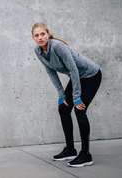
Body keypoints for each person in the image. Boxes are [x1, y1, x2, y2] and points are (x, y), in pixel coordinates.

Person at [31, 22, 102, 168]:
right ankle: (70, 149)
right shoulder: (38, 51)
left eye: (42, 34)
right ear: (33, 38)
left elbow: (73, 69)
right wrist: (61, 94)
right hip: (77, 77)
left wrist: (76, 97)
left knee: (79, 109)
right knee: (63, 108)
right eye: (36, 35)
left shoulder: (58, 46)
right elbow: (51, 72)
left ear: (48, 34)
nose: (40, 37)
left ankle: (86, 155)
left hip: (91, 75)